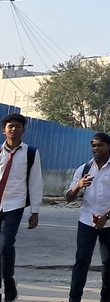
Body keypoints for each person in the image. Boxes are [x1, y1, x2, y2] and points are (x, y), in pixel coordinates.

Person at [65, 132, 110, 302]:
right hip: (87, 219)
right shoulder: (84, 169)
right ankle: (74, 298)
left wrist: (106, 216)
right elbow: (68, 197)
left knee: (107, 260)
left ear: (109, 147)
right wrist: (78, 186)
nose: (96, 148)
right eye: (93, 145)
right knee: (82, 259)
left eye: (100, 145)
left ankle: (105, 296)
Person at [0, 112, 42, 302]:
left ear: (23, 130)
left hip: (14, 205)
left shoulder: (31, 153)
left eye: (18, 126)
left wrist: (35, 211)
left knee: (6, 245)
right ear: (4, 131)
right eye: (10, 126)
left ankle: (8, 280)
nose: (14, 129)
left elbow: (35, 182)